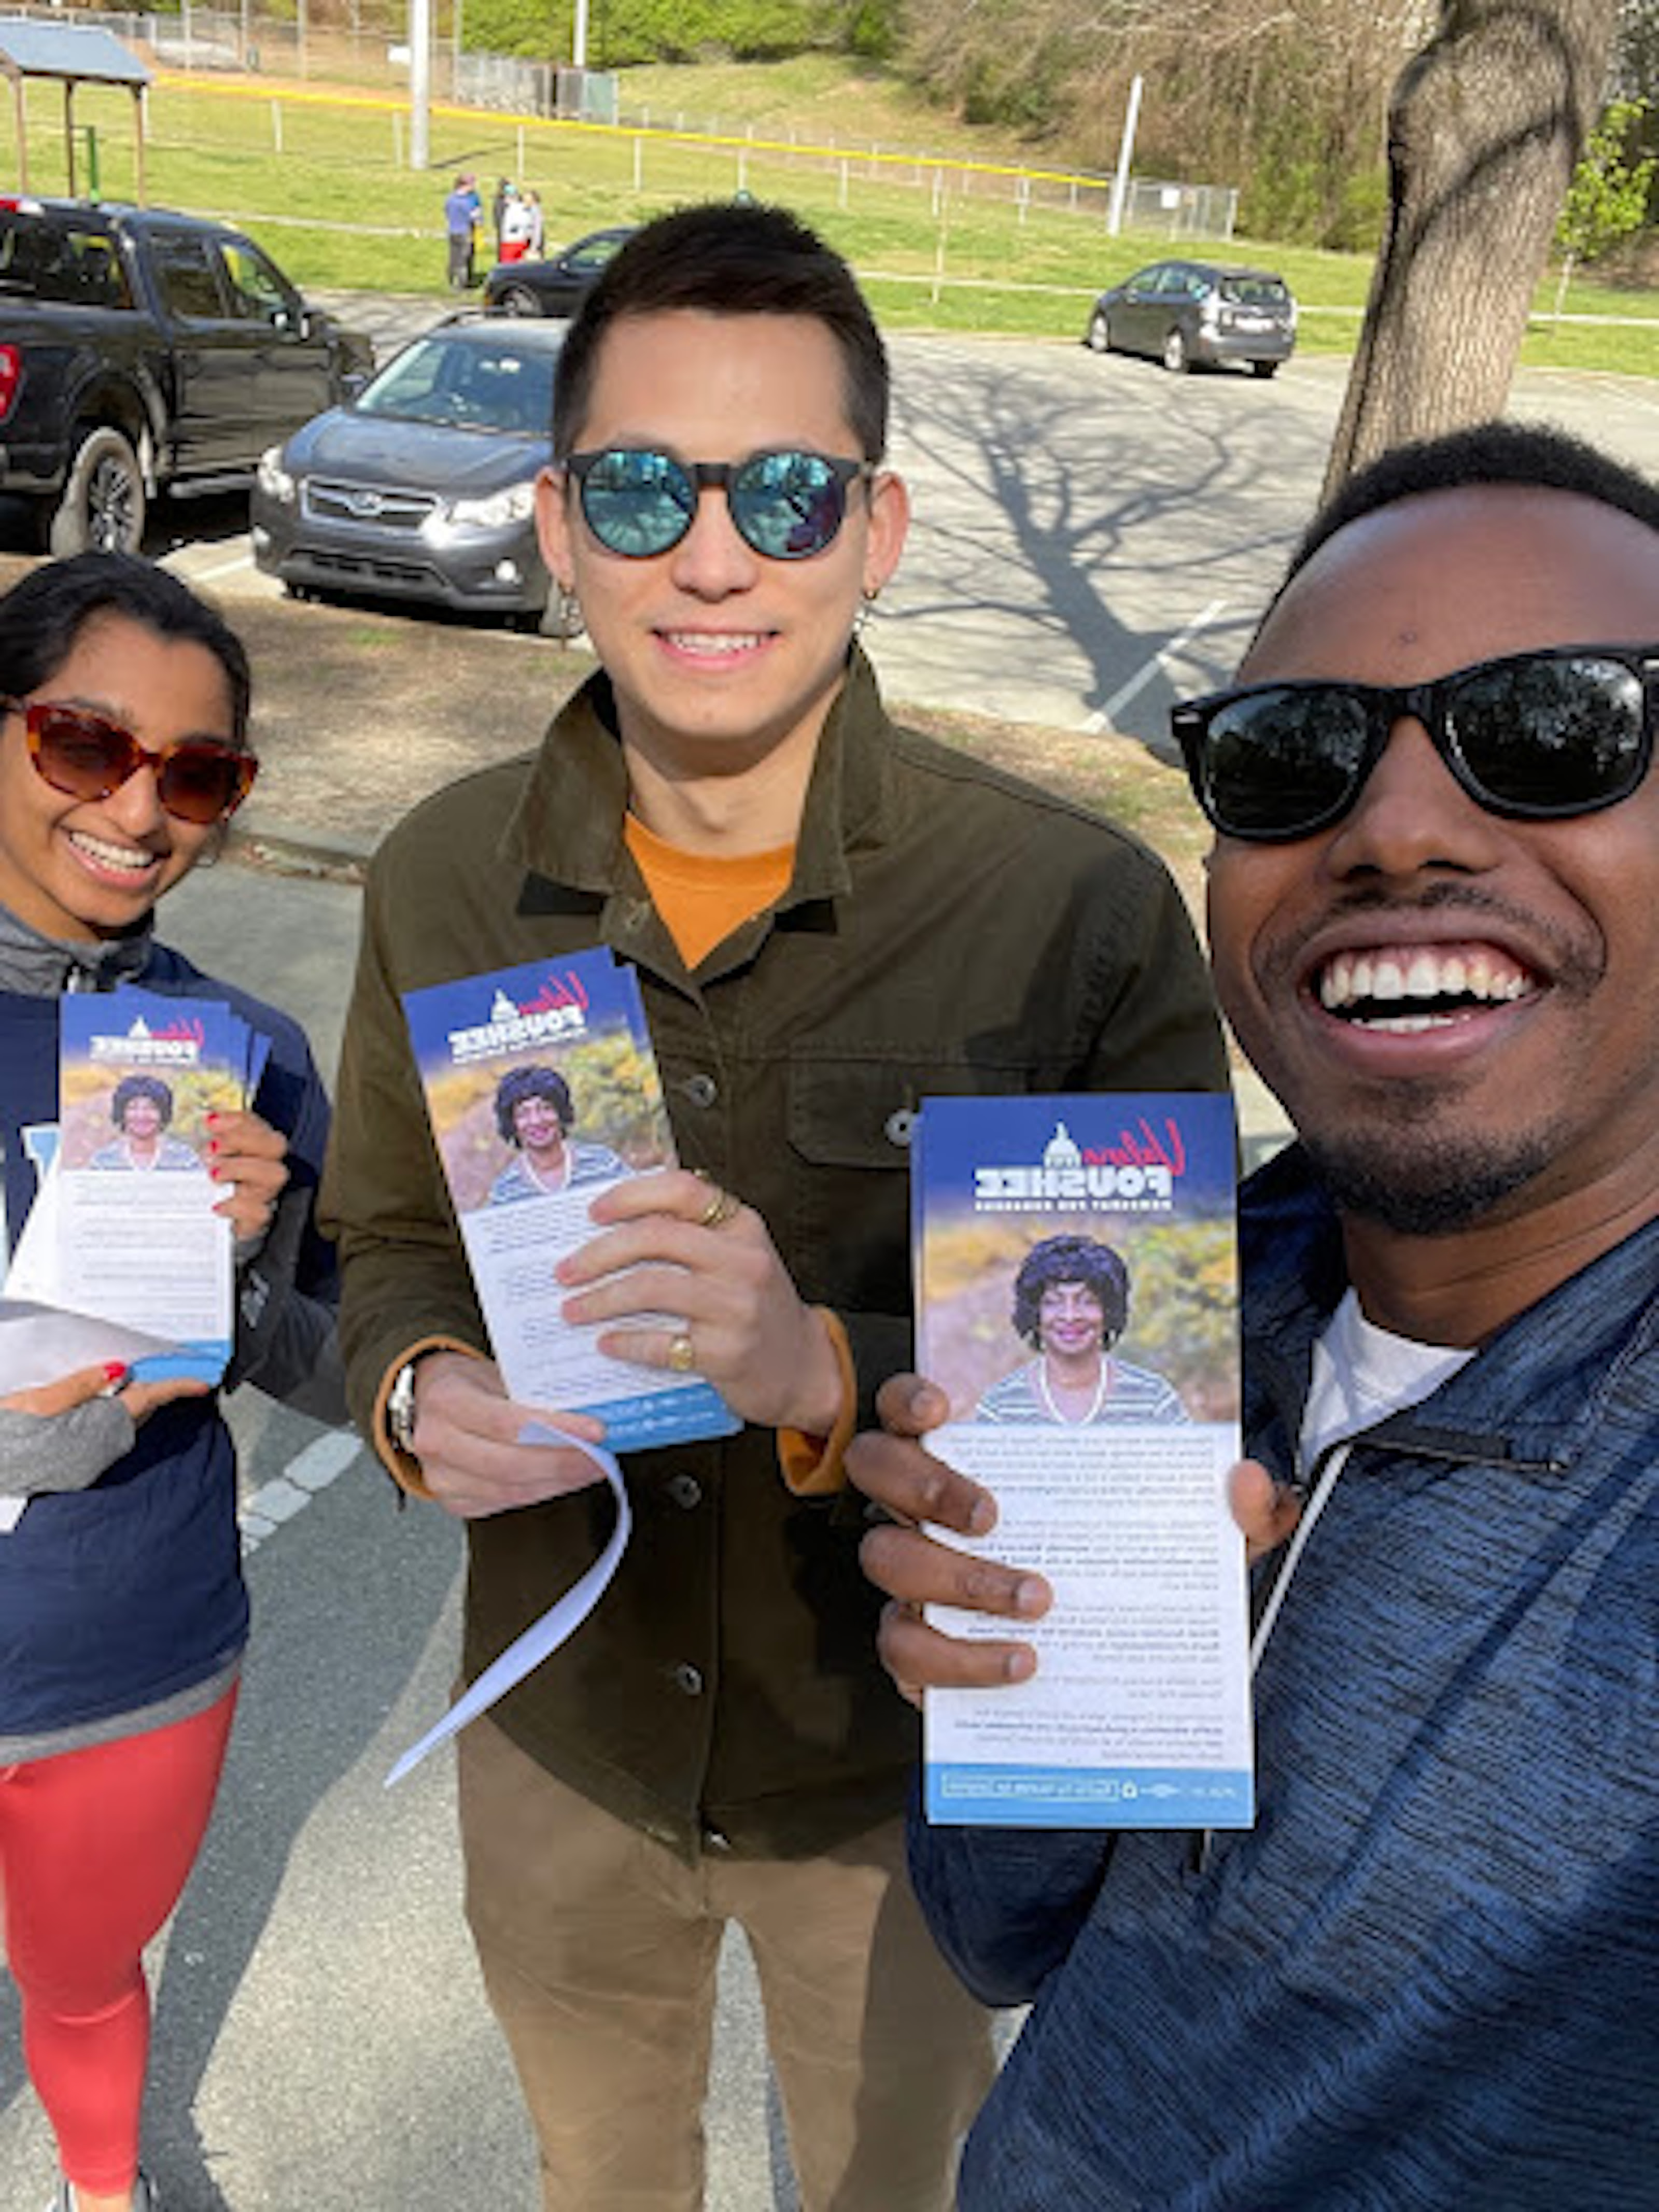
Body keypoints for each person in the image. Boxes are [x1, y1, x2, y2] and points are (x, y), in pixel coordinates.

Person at [320, 200, 1225, 2212]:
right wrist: (412, 1388)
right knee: (603, 2181)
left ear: (875, 531)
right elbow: (380, 1237)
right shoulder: (439, 877)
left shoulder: (1067, 915)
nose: (709, 552)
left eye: (783, 492)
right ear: (557, 524)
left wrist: (819, 1366)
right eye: (641, 487)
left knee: (896, 2189)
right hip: (560, 1746)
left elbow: (1161, 1416)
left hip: (894, 1803)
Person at [849, 420, 1659, 2208]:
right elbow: (1000, 1938)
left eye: (1557, 731)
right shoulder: (1212, 1297)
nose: (1398, 827)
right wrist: (1027, 1689)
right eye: (1298, 761)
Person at [0, 553, 344, 2212]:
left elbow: (335, 1365)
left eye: (195, 772)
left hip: (123, 1652)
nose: (139, 808)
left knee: (78, 1978)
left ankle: (103, 2186)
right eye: (84, 742)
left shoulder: (248, 1055)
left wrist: (259, 1262)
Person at [974, 1231, 1186, 1423]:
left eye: (1088, 1301)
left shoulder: (1154, 1400)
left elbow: (1190, 1466)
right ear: (1034, 1313)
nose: (1070, 1316)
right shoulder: (1000, 1407)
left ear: (1109, 1310)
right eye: (1053, 1302)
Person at [487, 1063, 624, 1203]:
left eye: (545, 1108)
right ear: (512, 1124)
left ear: (561, 1112)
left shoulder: (604, 1163)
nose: (536, 1121)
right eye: (523, 1113)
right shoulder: (504, 1192)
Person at [87, 1075, 200, 1172]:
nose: (141, 1116)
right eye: (133, 1108)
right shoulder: (103, 1161)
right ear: (122, 1113)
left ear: (163, 1113)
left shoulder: (185, 1159)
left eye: (151, 1108)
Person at [444, 172, 480, 290]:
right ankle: (462, 283)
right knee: (465, 257)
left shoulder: (450, 199)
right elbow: (475, 217)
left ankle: (451, 279)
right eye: (472, 184)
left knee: (454, 256)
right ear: (465, 185)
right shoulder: (469, 201)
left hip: (452, 230)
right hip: (465, 231)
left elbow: (447, 212)